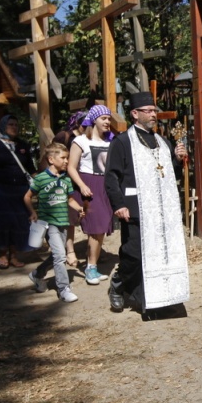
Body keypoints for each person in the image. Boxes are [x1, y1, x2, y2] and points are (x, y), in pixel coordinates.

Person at [104, 92, 189, 314]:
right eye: (148, 111)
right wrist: (118, 205)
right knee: (134, 254)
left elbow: (169, 174)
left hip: (161, 210)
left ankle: (158, 297)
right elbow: (111, 177)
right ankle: (118, 284)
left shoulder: (162, 141)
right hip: (134, 207)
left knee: (161, 253)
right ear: (134, 113)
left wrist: (178, 160)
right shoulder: (123, 142)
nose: (154, 115)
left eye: (154, 110)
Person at [24, 143, 87, 303]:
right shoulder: (41, 178)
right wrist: (33, 212)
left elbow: (70, 199)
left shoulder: (66, 179)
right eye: (63, 158)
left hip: (63, 222)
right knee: (60, 256)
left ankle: (37, 274)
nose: (67, 161)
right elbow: (27, 196)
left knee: (56, 255)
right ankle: (64, 289)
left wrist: (79, 208)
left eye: (68, 158)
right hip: (48, 223)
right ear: (51, 159)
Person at [68, 105, 114, 285]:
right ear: (94, 120)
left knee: (102, 226)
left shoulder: (111, 142)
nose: (107, 122)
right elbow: (71, 166)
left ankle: (92, 264)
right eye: (104, 118)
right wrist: (81, 185)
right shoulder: (80, 141)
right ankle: (91, 268)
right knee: (96, 225)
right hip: (89, 184)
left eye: (109, 119)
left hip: (105, 185)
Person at [0, 116, 33, 269]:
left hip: (21, 190)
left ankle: (15, 255)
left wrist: (42, 184)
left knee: (18, 221)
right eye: (11, 124)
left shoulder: (23, 145)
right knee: (2, 221)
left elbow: (30, 167)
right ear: (3, 126)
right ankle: (2, 253)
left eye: (16, 124)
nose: (14, 127)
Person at [54, 110, 87, 267]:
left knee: (84, 213)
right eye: (86, 123)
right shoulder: (65, 136)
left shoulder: (89, 138)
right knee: (70, 217)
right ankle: (70, 251)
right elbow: (53, 155)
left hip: (83, 180)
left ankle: (91, 247)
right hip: (66, 180)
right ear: (78, 123)